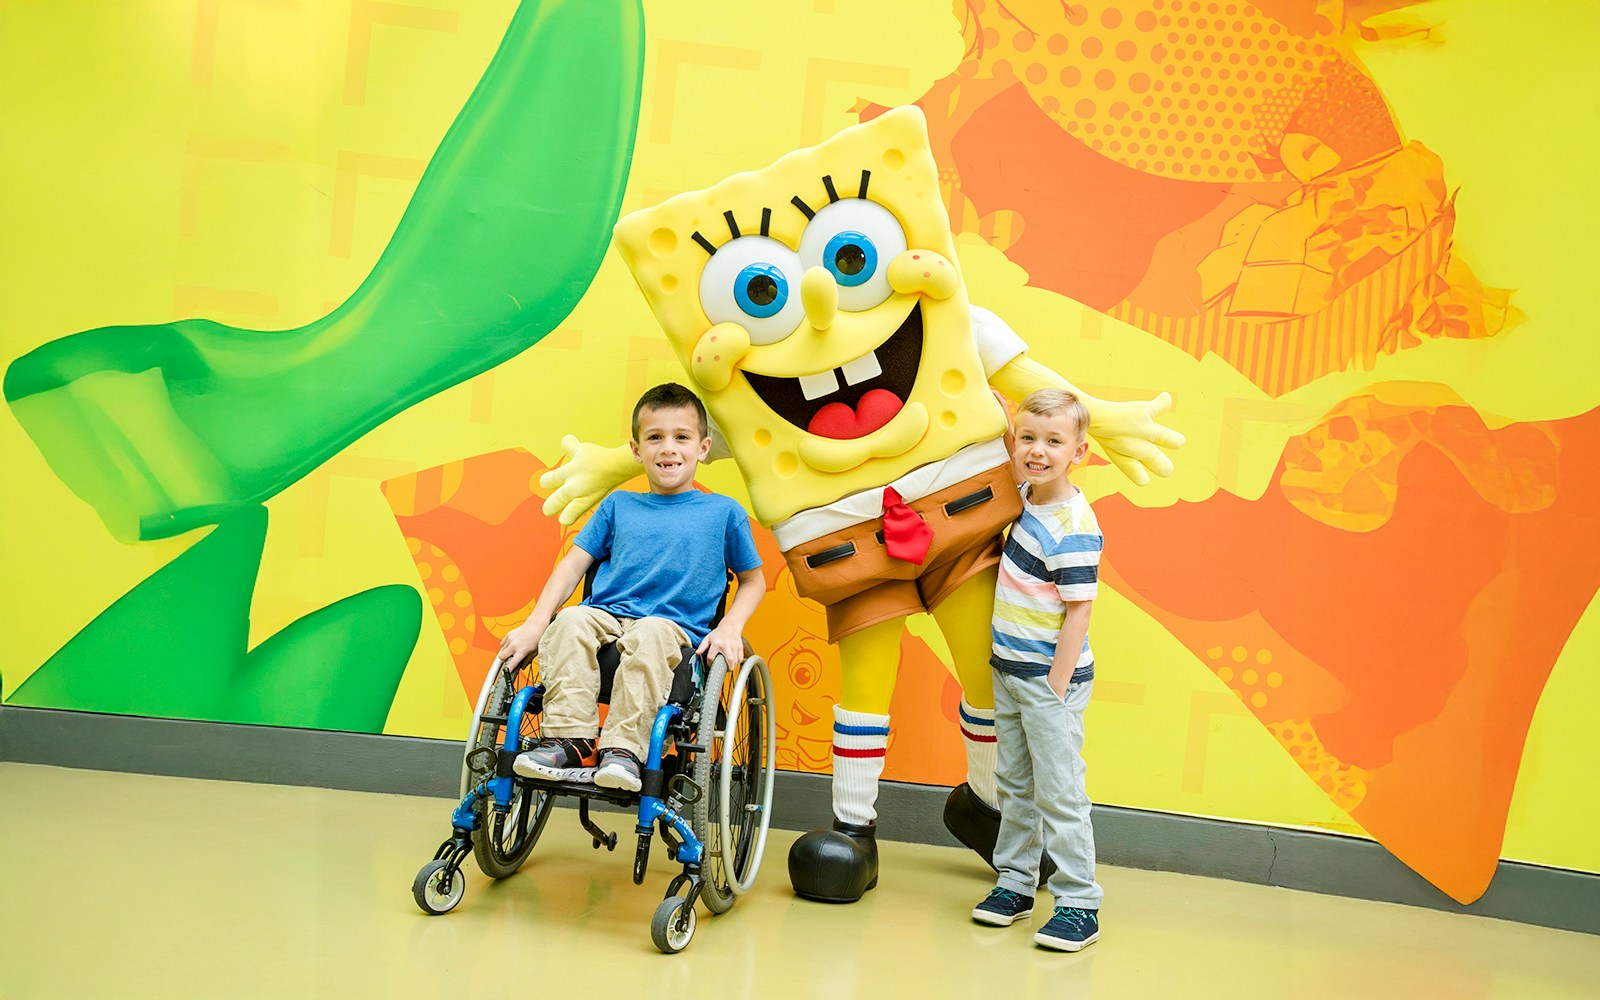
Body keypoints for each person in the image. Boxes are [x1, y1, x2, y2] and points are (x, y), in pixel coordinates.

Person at [496, 382, 764, 792]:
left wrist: (730, 628)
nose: (668, 448)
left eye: (681, 437)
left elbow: (752, 581)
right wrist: (536, 623)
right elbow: (572, 567)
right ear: (637, 451)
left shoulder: (724, 513)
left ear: (704, 448)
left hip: (672, 628)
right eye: (655, 438)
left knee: (651, 633)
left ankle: (623, 750)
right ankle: (571, 740)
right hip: (606, 616)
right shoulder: (618, 506)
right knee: (568, 622)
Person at [972, 388, 1105, 952]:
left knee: (1060, 791)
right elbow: (1005, 436)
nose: (1037, 450)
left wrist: (1055, 684)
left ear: (1079, 452)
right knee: (1015, 783)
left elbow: (1080, 608)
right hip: (1009, 669)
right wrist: (1000, 407)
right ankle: (1016, 884)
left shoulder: (1073, 524)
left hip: (1049, 679)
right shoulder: (1022, 496)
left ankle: (1079, 902)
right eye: (1028, 438)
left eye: (1054, 441)